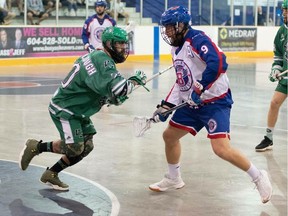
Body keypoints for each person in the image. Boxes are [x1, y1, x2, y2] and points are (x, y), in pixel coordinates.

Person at [148, 6, 272, 204]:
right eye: (166, 28)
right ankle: (173, 178)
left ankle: (258, 176)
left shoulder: (197, 39)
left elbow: (219, 62)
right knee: (169, 136)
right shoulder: (175, 48)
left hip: (215, 102)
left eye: (171, 27)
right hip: (192, 105)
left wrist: (200, 87)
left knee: (221, 149)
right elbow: (182, 81)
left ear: (182, 25)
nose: (168, 32)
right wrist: (166, 105)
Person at [19, 26, 147, 191]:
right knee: (75, 148)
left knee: (86, 146)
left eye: (125, 44)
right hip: (66, 110)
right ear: (109, 43)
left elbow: (105, 92)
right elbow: (120, 89)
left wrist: (113, 97)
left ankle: (51, 174)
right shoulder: (104, 61)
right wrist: (136, 81)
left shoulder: (99, 57)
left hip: (77, 110)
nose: (124, 48)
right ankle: (36, 146)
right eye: (119, 44)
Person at [255, 0, 288, 152]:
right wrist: (275, 69)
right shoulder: (282, 31)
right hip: (286, 79)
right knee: (274, 103)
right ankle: (268, 138)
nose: (284, 13)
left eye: (287, 10)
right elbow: (279, 55)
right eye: (284, 10)